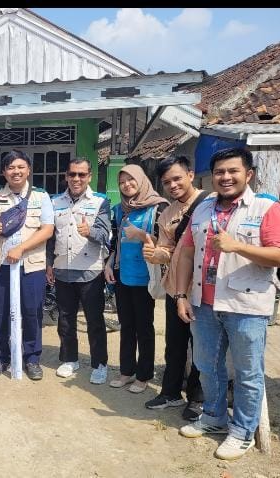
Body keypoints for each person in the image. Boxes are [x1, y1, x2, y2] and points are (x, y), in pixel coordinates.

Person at [175, 147, 280, 460]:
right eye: (220, 172)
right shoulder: (203, 208)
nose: (225, 177)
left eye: (232, 171)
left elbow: (279, 254)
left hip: (246, 305)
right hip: (204, 303)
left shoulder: (266, 207)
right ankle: (213, 417)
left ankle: (243, 431)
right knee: (207, 366)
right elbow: (185, 253)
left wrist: (236, 246)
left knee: (248, 373)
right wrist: (181, 295)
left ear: (248, 174)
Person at [0, 149, 54, 381]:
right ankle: (0, 358)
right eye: (11, 168)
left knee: (32, 312)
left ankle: (32, 359)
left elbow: (47, 229)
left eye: (21, 167)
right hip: (0, 265)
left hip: (31, 266)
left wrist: (21, 249)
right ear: (4, 172)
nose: (16, 171)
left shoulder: (41, 197)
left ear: (28, 170)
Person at [142, 156, 206, 420]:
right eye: (167, 182)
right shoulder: (167, 213)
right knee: (175, 343)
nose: (173, 185)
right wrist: (158, 254)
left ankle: (198, 398)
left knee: (201, 344)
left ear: (190, 175)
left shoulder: (209, 204)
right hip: (175, 288)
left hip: (203, 289)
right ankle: (170, 392)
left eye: (177, 178)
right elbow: (169, 249)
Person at [104, 164, 169, 394]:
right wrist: (109, 264)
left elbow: (167, 241)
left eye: (131, 180)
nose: (126, 185)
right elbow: (115, 242)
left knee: (144, 327)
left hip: (146, 278)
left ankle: (143, 375)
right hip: (123, 275)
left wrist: (141, 235)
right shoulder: (120, 209)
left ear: (141, 181)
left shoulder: (159, 207)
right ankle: (126, 371)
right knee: (127, 326)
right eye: (122, 182)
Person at [46, 158, 111, 384]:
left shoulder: (101, 201)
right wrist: (48, 263)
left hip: (90, 271)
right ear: (66, 176)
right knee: (65, 319)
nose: (76, 179)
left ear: (89, 177)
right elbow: (50, 237)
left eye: (81, 175)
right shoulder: (55, 202)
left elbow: (105, 235)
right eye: (72, 174)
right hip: (63, 270)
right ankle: (69, 359)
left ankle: (99, 364)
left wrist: (90, 231)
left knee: (94, 320)